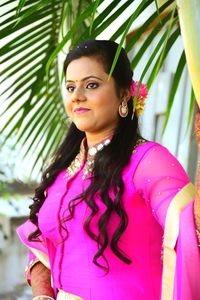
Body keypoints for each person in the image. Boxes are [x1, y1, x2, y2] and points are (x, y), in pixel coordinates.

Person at [17, 40, 200, 300]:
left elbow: (190, 230)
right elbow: (39, 246)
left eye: (91, 84)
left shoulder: (147, 161)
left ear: (125, 93)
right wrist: (42, 295)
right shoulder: (63, 168)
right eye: (70, 87)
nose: (77, 95)